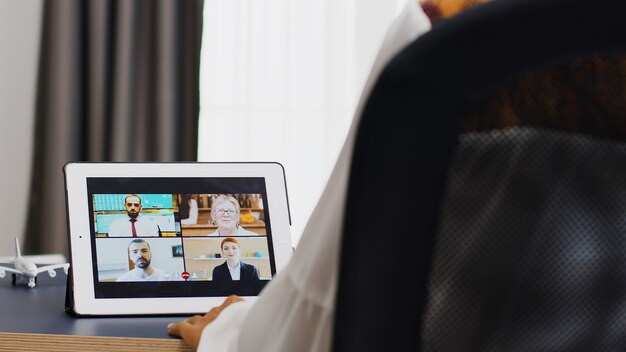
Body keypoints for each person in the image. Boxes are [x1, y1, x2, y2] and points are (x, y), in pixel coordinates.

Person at [167, 2, 432, 350]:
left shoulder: (427, 29)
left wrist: (228, 332)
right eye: (220, 212)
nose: (226, 218)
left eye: (231, 211)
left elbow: (325, 306)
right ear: (213, 215)